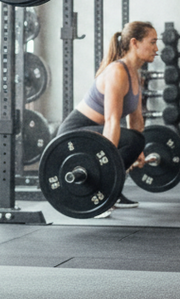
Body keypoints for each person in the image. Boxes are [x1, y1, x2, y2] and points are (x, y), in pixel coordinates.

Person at [54, 21, 159, 216]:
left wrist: (138, 151)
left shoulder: (135, 74)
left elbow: (135, 120)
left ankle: (113, 191)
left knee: (136, 140)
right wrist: (107, 162)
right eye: (152, 42)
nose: (156, 48)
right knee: (128, 141)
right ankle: (99, 194)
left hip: (94, 133)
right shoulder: (117, 71)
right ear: (135, 43)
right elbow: (112, 121)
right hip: (74, 135)